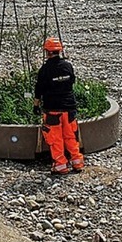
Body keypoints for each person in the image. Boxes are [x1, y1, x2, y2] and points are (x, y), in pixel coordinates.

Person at [34, 36, 85, 174]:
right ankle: (77, 162)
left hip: (52, 109)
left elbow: (39, 90)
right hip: (69, 108)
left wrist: (36, 105)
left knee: (55, 138)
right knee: (71, 135)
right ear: (59, 51)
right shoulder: (68, 66)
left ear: (47, 52)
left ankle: (60, 165)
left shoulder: (45, 70)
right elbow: (72, 81)